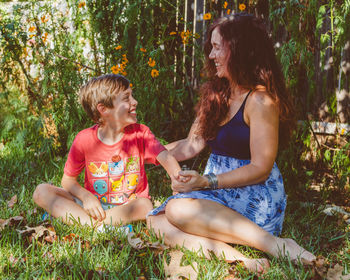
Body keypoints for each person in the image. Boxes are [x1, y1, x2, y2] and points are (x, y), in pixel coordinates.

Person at [147, 14, 316, 273]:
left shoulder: (261, 101)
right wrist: (146, 151)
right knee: (155, 223)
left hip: (254, 193)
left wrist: (206, 181)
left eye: (217, 48)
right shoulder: (217, 93)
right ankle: (244, 260)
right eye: (211, 47)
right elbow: (191, 145)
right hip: (218, 193)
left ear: (239, 51)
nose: (211, 55)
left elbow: (260, 167)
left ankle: (274, 244)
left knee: (177, 209)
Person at [33, 74, 184, 230]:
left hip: (128, 207)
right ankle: (98, 226)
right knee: (41, 191)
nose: (135, 102)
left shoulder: (141, 134)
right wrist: (87, 197)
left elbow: (166, 157)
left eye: (132, 96)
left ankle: (85, 224)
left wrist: (178, 180)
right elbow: (68, 181)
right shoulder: (83, 139)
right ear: (103, 109)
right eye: (126, 98)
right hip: (93, 205)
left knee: (144, 205)